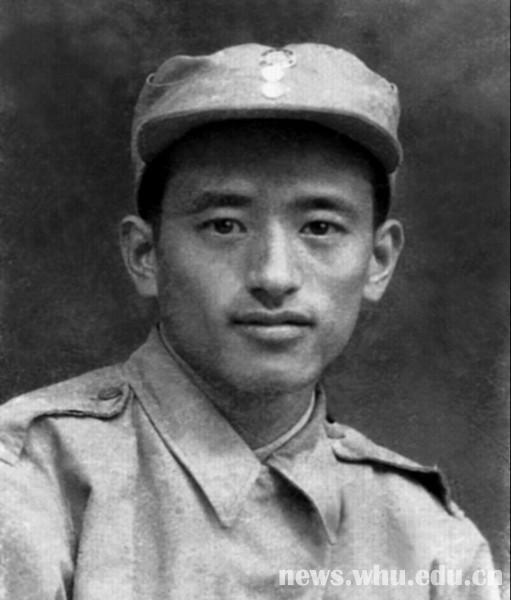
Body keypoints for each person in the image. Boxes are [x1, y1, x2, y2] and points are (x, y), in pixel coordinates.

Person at [0, 43, 500, 599]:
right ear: (145, 255)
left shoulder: (432, 544)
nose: (273, 275)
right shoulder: (30, 479)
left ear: (378, 261)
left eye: (319, 228)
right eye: (224, 225)